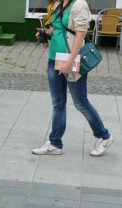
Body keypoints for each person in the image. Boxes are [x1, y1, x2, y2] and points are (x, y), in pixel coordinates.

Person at [32, 0, 113, 156]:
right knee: (58, 103)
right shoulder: (58, 4)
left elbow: (80, 35)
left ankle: (104, 136)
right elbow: (58, 30)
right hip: (54, 59)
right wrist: (45, 32)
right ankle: (55, 143)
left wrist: (70, 62)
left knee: (81, 102)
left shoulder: (79, 4)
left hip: (72, 60)